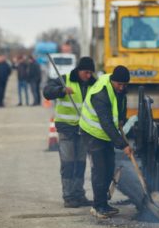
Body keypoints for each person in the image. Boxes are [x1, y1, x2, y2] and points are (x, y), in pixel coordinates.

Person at [79, 65, 133, 219]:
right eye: (119, 84)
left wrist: (122, 118)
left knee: (109, 167)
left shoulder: (119, 87)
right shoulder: (101, 94)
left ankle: (104, 203)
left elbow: (122, 102)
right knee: (100, 169)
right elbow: (106, 123)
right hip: (92, 132)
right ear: (112, 81)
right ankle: (97, 206)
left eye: (124, 85)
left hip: (105, 133)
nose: (122, 88)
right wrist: (123, 145)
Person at [43, 57, 97, 208]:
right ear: (79, 70)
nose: (88, 75)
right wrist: (61, 91)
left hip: (84, 129)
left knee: (80, 163)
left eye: (90, 73)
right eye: (86, 72)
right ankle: (68, 196)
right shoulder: (65, 79)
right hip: (66, 128)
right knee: (68, 163)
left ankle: (79, 195)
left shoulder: (94, 84)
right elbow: (47, 92)